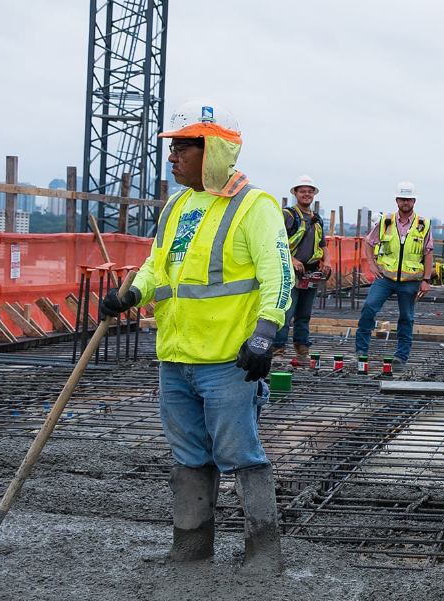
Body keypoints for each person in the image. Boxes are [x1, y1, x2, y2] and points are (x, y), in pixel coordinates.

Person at [98, 98, 291, 572]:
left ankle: (263, 554)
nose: (172, 158)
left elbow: (278, 275)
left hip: (227, 360)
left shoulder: (255, 207)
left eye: (182, 148)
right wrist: (132, 295)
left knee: (239, 453)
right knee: (187, 454)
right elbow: (157, 264)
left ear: (215, 151)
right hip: (176, 356)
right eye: (172, 148)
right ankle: (190, 548)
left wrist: (265, 333)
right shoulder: (178, 204)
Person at [354, 182, 435, 364]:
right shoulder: (386, 221)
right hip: (386, 278)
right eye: (402, 199)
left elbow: (428, 253)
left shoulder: (423, 224)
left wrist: (426, 280)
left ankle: (401, 357)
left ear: (414, 201)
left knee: (406, 318)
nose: (405, 202)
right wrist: (372, 264)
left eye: (408, 199)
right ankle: (361, 351)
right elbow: (369, 243)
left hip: (410, 280)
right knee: (369, 308)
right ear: (397, 200)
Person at [273, 175, 329, 360]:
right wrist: (292, 260)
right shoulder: (288, 216)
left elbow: (323, 244)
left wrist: (327, 262)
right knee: (286, 313)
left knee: (304, 314)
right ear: (295, 193)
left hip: (310, 272)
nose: (306, 194)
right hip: (291, 272)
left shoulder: (316, 218)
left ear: (314, 194)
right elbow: (277, 241)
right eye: (302, 191)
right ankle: (278, 350)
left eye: (309, 191)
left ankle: (302, 349)